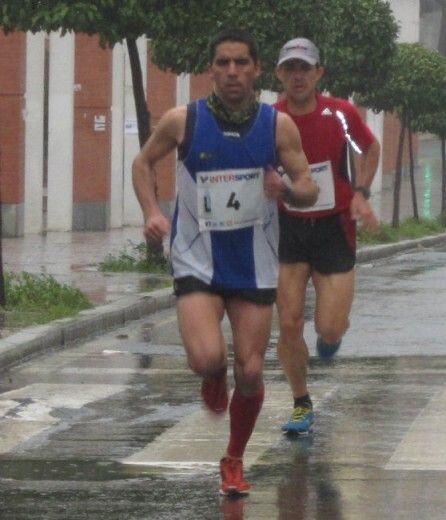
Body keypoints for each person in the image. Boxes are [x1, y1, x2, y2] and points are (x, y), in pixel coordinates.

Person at [132, 29, 318, 495]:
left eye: (240, 63)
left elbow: (308, 185)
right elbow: (142, 163)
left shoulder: (277, 127)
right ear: (211, 70)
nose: (232, 71)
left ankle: (233, 459)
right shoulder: (184, 121)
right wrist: (152, 212)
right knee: (206, 357)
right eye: (222, 63)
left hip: (254, 263)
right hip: (197, 259)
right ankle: (213, 374)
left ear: (256, 69)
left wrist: (288, 192)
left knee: (252, 372)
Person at [273, 38, 380, 434]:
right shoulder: (271, 119)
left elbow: (369, 149)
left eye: (305, 68)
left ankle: (333, 338)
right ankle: (301, 402)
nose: (298, 75)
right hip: (289, 226)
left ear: (319, 73)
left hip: (335, 226)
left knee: (329, 328)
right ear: (279, 74)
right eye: (290, 68)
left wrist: (361, 194)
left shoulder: (340, 114)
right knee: (287, 322)